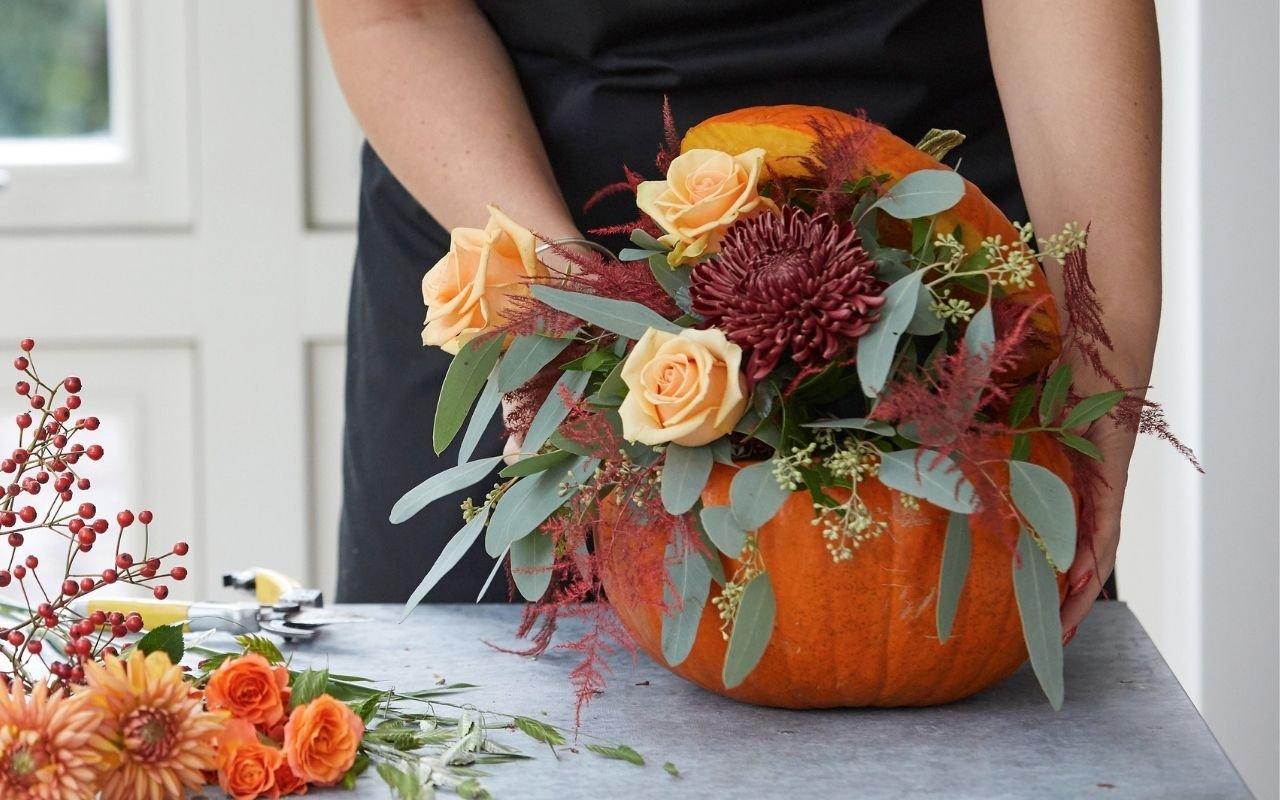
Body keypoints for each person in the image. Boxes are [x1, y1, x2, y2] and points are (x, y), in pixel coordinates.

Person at [316, 0, 1160, 639]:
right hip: (508, 202)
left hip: (925, 247)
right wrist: (557, 297)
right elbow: (396, 10)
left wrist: (1098, 366)